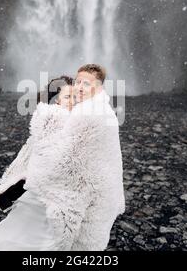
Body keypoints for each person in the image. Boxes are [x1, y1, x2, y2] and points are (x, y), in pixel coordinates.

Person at [23, 64, 125, 250]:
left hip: (91, 201)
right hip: (98, 199)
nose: (79, 89)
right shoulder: (96, 110)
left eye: (85, 84)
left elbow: (60, 161)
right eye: (78, 83)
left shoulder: (88, 114)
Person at [0, 76, 74, 251]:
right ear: (57, 101)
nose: (72, 102)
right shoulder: (47, 122)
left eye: (75, 98)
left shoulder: (82, 124)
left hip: (61, 199)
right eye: (67, 97)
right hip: (39, 195)